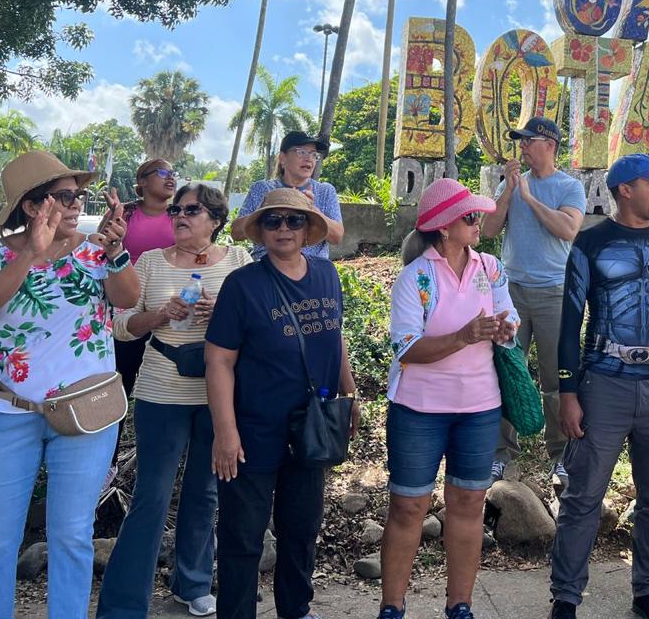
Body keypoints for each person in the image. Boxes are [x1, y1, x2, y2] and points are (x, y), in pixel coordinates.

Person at [0, 151, 140, 619]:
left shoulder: (94, 249)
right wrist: (30, 255)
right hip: (9, 414)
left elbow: (128, 299)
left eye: (79, 195)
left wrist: (116, 251)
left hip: (86, 415)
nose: (77, 204)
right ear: (31, 205)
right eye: (65, 196)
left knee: (71, 536)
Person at [548, 154, 649, 619]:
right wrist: (569, 392)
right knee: (582, 497)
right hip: (603, 383)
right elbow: (570, 318)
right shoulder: (590, 243)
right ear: (626, 189)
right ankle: (567, 598)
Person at [97, 183, 252, 619]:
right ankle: (125, 603)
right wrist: (160, 314)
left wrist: (221, 311)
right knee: (152, 496)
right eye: (178, 210)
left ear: (216, 221)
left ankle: (193, 583)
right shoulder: (149, 262)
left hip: (217, 393)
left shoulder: (239, 263)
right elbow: (122, 326)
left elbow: (255, 324)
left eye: (193, 210)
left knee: (206, 492)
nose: (181, 216)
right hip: (161, 390)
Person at [206, 187, 360, 619]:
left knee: (301, 529)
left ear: (309, 228)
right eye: (273, 221)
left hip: (312, 426)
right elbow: (218, 359)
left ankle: (297, 609)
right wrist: (225, 431)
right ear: (260, 230)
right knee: (243, 536)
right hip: (254, 429)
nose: (284, 229)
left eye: (294, 221)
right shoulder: (243, 285)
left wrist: (348, 394)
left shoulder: (326, 276)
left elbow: (336, 337)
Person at [378, 178, 520, 619]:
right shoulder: (415, 277)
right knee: (408, 507)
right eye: (470, 216)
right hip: (419, 410)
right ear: (443, 227)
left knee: (468, 504)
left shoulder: (490, 268)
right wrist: (462, 336)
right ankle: (392, 607)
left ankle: (460, 606)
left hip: (479, 406)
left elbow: (508, 313)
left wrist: (506, 328)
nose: (480, 221)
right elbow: (407, 348)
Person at [480, 116, 586, 488]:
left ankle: (560, 456)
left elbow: (568, 229)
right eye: (521, 141)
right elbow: (487, 231)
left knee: (556, 378)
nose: (522, 147)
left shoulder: (569, 187)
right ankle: (500, 456)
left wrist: (529, 198)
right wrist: (510, 192)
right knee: (507, 369)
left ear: (550, 144)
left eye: (529, 140)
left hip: (554, 293)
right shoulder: (510, 184)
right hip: (510, 293)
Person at [111, 158, 180, 419]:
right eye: (162, 172)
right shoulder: (125, 213)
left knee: (166, 386)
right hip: (126, 309)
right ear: (142, 181)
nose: (170, 177)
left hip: (171, 311)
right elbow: (100, 252)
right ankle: (110, 457)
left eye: (173, 172)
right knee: (118, 383)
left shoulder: (180, 214)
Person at [237, 131, 343, 262]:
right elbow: (236, 233)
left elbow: (337, 237)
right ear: (282, 158)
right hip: (267, 269)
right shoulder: (262, 188)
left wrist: (311, 209)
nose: (309, 158)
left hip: (313, 270)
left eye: (313, 154)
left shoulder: (325, 190)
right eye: (301, 152)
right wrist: (264, 209)